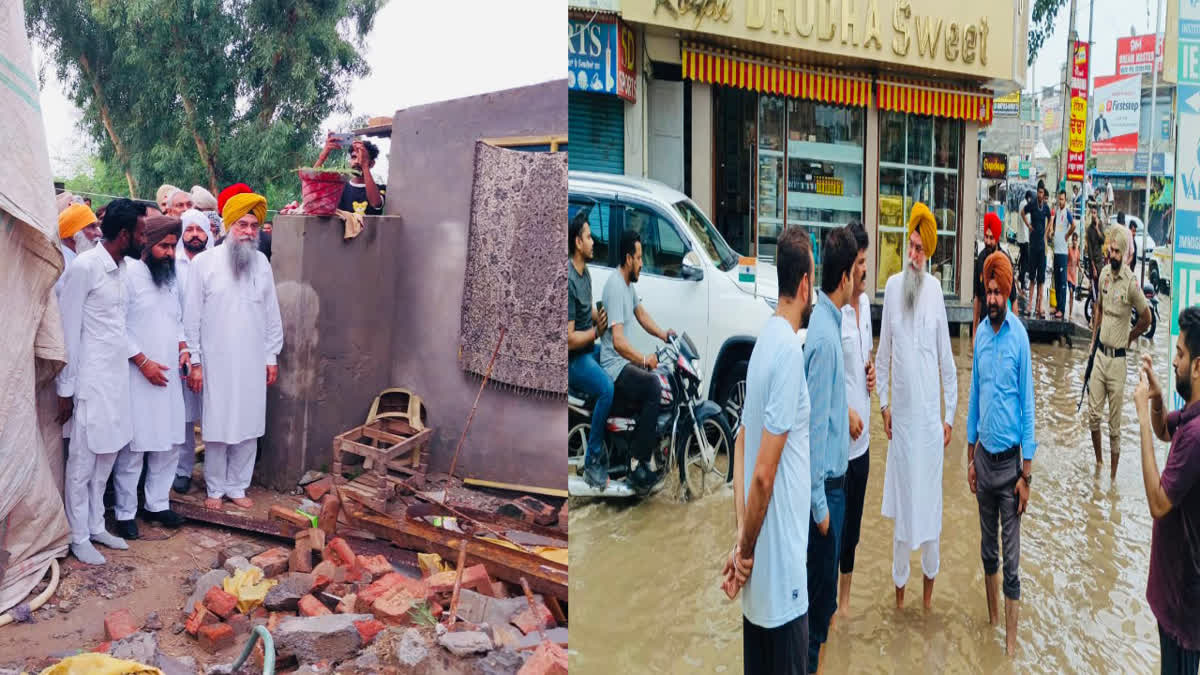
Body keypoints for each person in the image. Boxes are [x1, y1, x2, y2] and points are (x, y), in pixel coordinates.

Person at [722, 225, 815, 674]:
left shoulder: (761, 345)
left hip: (758, 589)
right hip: (783, 590)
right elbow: (764, 474)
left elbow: (741, 444)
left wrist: (741, 544)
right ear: (804, 284)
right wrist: (746, 551)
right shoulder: (789, 354)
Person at [55, 198, 148, 565]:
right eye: (141, 232)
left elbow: (118, 329)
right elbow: (69, 330)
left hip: (116, 380)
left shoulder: (124, 269)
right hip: (90, 382)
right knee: (82, 461)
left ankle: (96, 525)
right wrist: (66, 389)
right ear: (124, 234)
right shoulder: (85, 268)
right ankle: (78, 534)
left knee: (107, 455)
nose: (144, 238)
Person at [875, 202, 958, 609]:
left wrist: (949, 417)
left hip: (928, 428)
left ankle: (926, 608)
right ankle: (899, 606)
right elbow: (883, 354)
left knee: (930, 518)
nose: (913, 255)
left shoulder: (937, 292)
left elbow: (946, 359)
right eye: (910, 247)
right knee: (903, 523)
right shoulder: (892, 289)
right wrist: (884, 405)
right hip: (903, 427)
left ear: (929, 253)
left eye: (920, 250)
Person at [184, 192, 283, 510]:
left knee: (249, 424)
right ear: (228, 225)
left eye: (255, 225)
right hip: (217, 359)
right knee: (217, 425)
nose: (249, 231)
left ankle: (238, 487)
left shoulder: (262, 264)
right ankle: (215, 489)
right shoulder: (204, 263)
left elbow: (271, 313)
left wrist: (271, 356)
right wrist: (196, 362)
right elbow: (191, 317)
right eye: (242, 224)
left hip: (253, 360)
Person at [966, 251, 1036, 656]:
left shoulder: (1019, 338)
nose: (992, 299)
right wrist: (969, 455)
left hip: (1011, 469)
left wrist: (1026, 477)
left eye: (997, 292)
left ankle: (1009, 649)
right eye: (988, 291)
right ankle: (992, 628)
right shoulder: (978, 337)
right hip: (983, 461)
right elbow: (975, 397)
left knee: (1012, 564)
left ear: (1008, 293)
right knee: (986, 552)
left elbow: (1027, 409)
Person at [112, 216, 189, 539]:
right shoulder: (127, 275)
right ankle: (125, 512)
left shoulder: (170, 277)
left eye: (174, 246)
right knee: (135, 447)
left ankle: (157, 504)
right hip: (137, 374)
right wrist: (143, 362)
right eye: (164, 246)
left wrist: (184, 347)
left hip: (169, 373)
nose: (171, 253)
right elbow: (116, 326)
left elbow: (176, 319)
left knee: (169, 442)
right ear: (146, 245)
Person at [803, 226, 857, 675]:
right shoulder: (823, 338)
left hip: (836, 491)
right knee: (816, 623)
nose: (862, 278)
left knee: (819, 616)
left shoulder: (828, 325)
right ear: (843, 278)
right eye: (857, 271)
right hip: (827, 498)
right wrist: (821, 509)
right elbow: (814, 432)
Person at [1133, 317, 1200, 674]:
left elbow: (1158, 503)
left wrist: (1142, 415)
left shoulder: (1196, 436)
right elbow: (1164, 430)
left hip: (1184, 608)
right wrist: (1158, 397)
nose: (1174, 361)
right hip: (1175, 601)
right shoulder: (1191, 418)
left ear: (1199, 365)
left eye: (1180, 353)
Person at [598, 229, 673, 494]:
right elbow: (618, 342)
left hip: (620, 364)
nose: (642, 263)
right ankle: (637, 462)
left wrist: (664, 334)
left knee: (659, 379)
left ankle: (644, 452)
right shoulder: (617, 287)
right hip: (613, 368)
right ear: (629, 258)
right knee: (653, 386)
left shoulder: (627, 286)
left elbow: (641, 314)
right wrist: (644, 361)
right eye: (639, 258)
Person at [1088, 225, 1151, 480]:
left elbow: (1146, 318)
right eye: (1110, 250)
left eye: (1116, 251)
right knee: (1093, 415)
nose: (1111, 255)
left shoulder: (1132, 285)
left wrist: (1130, 337)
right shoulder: (1103, 275)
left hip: (1118, 362)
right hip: (1100, 357)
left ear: (1124, 254)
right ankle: (1099, 464)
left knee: (1115, 427)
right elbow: (1099, 310)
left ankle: (1113, 479)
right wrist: (1092, 344)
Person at [837, 222, 875, 620]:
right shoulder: (832, 315)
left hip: (862, 445)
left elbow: (864, 361)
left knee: (854, 530)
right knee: (831, 526)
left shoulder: (865, 310)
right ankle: (828, 602)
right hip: (837, 447)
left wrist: (870, 374)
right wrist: (843, 411)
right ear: (847, 268)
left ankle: (844, 604)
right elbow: (822, 382)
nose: (867, 270)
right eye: (862, 262)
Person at [567, 211, 611, 489]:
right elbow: (569, 339)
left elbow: (591, 313)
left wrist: (606, 318)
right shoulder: (570, 280)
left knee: (617, 363)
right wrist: (597, 332)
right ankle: (594, 459)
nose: (593, 241)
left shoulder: (587, 275)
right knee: (607, 388)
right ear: (577, 242)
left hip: (589, 350)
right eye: (588, 236)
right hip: (574, 360)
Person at [173, 210, 210, 493]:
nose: (195, 235)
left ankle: (216, 475)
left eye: (201, 230)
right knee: (184, 415)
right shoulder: (171, 264)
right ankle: (183, 470)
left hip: (215, 347)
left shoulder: (217, 263)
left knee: (215, 410)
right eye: (190, 229)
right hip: (181, 348)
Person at [315, 134, 386, 216]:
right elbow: (312, 185)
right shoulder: (339, 187)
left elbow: (375, 203)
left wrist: (364, 165)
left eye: (361, 157)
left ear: (372, 164)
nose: (357, 161)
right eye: (354, 157)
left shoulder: (380, 189)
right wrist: (323, 156)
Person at [973, 212, 1015, 333]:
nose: (988, 241)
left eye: (991, 238)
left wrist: (1015, 332)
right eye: (986, 237)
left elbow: (1013, 299)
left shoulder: (1005, 262)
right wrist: (975, 332)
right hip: (985, 325)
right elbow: (977, 298)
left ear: (997, 238)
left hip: (1002, 326)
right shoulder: (980, 260)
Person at [57, 203, 102, 295]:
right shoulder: (60, 266)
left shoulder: (78, 259)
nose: (99, 233)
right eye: (92, 227)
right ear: (73, 234)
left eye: (97, 227)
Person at [1023, 186, 1051, 318]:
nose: (1040, 195)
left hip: (1042, 247)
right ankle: (1029, 305)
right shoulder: (1032, 204)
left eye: (1042, 192)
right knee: (1032, 277)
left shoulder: (1045, 207)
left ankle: (1039, 306)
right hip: (1033, 246)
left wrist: (1046, 233)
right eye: (1039, 192)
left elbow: (1050, 218)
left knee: (1041, 279)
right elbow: (1023, 212)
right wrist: (1028, 226)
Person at [1048, 189, 1076, 320]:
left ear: (1065, 200)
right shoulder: (1058, 212)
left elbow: (1074, 225)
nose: (1060, 201)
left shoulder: (1067, 212)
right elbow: (1055, 226)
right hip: (1056, 251)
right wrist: (1053, 234)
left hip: (1063, 253)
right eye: (1059, 199)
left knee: (1062, 282)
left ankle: (1062, 309)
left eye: (1062, 199)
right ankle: (1057, 306)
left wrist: (1067, 235)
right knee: (1057, 280)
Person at [1086, 205, 1106, 298]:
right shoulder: (1089, 230)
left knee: (1100, 286)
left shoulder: (1100, 224)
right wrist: (1093, 267)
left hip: (1100, 261)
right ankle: (1093, 307)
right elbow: (1089, 250)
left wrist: (1098, 228)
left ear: (1097, 214)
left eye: (1095, 213)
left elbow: (1103, 240)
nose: (1093, 215)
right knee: (1093, 289)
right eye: (1092, 213)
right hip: (1093, 262)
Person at [1015, 191, 1032, 293]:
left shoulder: (1021, 203)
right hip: (1025, 238)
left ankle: (1021, 282)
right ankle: (1020, 279)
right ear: (1029, 198)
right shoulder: (1025, 205)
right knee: (1026, 261)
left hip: (1021, 237)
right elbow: (1027, 221)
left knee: (1022, 260)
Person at [1067, 233, 1080, 319]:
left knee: (1072, 296)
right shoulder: (1069, 250)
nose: (1075, 242)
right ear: (1072, 241)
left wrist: (1081, 270)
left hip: (1074, 276)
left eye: (1076, 240)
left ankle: (1070, 314)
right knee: (1071, 291)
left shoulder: (1078, 252)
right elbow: (1066, 262)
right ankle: (1069, 313)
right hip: (1068, 275)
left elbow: (1078, 264)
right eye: (1073, 240)